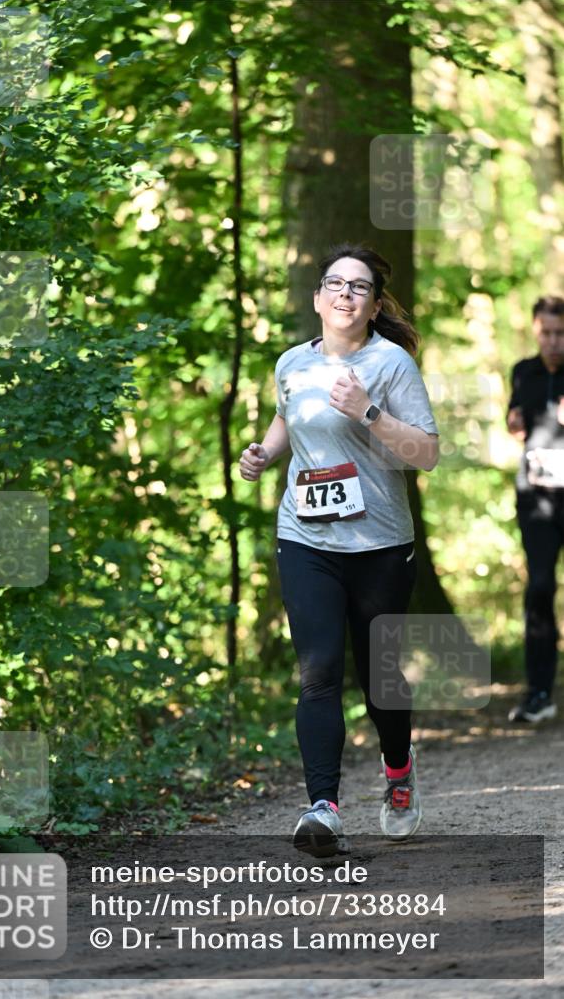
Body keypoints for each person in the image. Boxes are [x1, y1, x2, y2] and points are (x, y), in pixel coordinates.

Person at [239, 242, 439, 857]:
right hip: (307, 537)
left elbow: (427, 454)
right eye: (334, 284)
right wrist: (263, 453)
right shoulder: (292, 364)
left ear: (374, 305)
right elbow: (286, 420)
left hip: (380, 543)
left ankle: (398, 770)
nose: (345, 294)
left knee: (379, 677)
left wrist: (369, 412)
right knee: (319, 671)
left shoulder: (393, 366)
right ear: (318, 298)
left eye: (358, 287)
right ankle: (323, 808)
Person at [506, 296, 564, 724]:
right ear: (534, 330)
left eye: (560, 334)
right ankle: (539, 692)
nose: (553, 341)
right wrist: (513, 421)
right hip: (537, 498)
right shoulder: (522, 371)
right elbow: (515, 419)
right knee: (539, 587)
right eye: (546, 332)